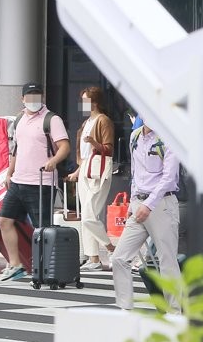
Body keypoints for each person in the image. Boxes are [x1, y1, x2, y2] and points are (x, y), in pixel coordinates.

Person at [0, 83, 71, 283]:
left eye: (37, 96)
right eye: (29, 97)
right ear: (22, 99)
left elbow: (64, 146)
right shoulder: (19, 119)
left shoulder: (51, 119)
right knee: (4, 221)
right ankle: (16, 265)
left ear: (43, 97)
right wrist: (9, 173)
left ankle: (44, 269)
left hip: (41, 182)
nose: (33, 100)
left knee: (41, 228)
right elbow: (16, 150)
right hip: (18, 180)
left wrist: (53, 161)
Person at [111, 120, 181, 310]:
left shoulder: (169, 137)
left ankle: (175, 313)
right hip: (139, 202)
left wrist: (148, 204)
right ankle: (125, 309)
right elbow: (135, 172)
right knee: (119, 258)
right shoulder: (135, 136)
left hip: (162, 204)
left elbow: (169, 178)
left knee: (168, 262)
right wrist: (133, 202)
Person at [66, 87, 116, 271]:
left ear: (95, 102)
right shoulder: (86, 122)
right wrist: (77, 171)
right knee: (86, 216)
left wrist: (93, 143)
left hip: (98, 170)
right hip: (86, 168)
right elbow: (85, 156)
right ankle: (93, 258)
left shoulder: (103, 120)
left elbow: (108, 149)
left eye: (86, 101)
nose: (83, 105)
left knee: (88, 215)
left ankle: (111, 248)